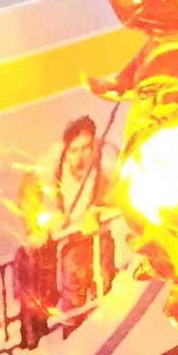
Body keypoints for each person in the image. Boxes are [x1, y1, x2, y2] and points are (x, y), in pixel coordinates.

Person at [54, 115, 118, 320]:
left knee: (105, 288)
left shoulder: (105, 162)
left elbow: (118, 188)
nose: (80, 156)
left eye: (86, 148)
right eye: (74, 150)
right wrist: (47, 223)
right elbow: (32, 199)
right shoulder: (56, 172)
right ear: (66, 152)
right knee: (73, 299)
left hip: (100, 237)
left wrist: (97, 209)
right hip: (71, 244)